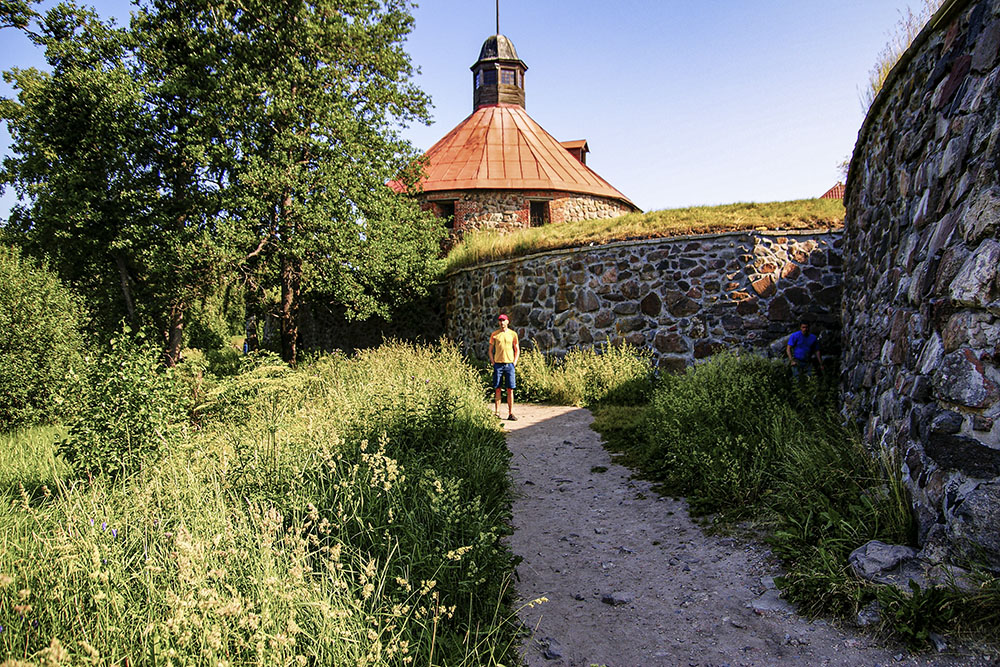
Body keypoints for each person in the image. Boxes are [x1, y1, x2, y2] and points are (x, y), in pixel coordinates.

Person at [488, 313, 520, 421]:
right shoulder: (495, 334)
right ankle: (497, 413)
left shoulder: (513, 334)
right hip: (498, 365)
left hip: (509, 364)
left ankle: (511, 413)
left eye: (504, 320)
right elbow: (490, 350)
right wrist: (493, 362)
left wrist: (514, 362)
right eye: (500, 321)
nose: (502, 323)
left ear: (507, 322)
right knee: (497, 389)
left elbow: (517, 349)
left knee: (510, 389)